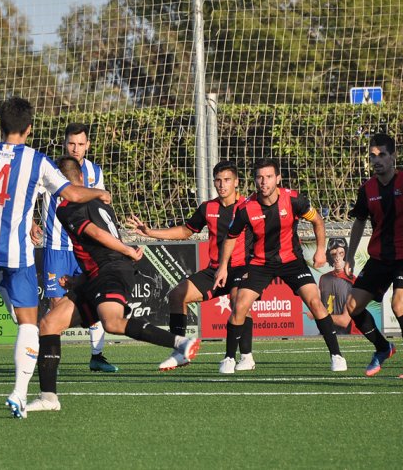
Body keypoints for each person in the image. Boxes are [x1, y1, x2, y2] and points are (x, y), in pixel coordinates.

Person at [0, 97, 111, 419]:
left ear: (0, 125)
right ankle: (19, 394)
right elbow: (72, 194)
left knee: (5, 284)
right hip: (17, 255)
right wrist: (100, 193)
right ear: (29, 129)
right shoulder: (38, 162)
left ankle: (6, 290)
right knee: (30, 325)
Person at [26, 157, 201, 412]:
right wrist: (78, 281)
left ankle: (181, 344)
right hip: (99, 274)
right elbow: (96, 246)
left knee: (112, 322)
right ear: (83, 179)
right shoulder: (99, 201)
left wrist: (128, 251)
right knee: (49, 324)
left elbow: (97, 235)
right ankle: (48, 397)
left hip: (110, 270)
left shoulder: (66, 207)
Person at [213, 158, 348, 372]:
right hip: (260, 263)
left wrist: (321, 250)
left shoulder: (294, 199)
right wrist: (222, 267)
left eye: (268, 177)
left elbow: (317, 221)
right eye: (259, 177)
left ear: (278, 178)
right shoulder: (246, 208)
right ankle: (230, 358)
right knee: (239, 305)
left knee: (315, 302)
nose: (263, 182)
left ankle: (337, 356)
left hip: (292, 261)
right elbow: (231, 237)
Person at [127, 161, 254, 373]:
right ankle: (180, 351)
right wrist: (150, 232)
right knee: (177, 295)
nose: (222, 185)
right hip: (214, 270)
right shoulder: (208, 208)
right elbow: (186, 231)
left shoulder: (249, 207)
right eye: (218, 181)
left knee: (238, 302)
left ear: (237, 182)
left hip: (242, 268)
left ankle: (247, 356)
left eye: (227, 180)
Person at [32, 123, 118, 373]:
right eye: (71, 143)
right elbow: (29, 198)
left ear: (88, 145)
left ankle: (97, 356)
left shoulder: (94, 171)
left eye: (81, 144)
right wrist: (31, 222)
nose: (76, 148)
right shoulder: (50, 169)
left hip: (87, 247)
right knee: (57, 305)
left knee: (96, 299)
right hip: (56, 247)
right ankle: (50, 359)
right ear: (64, 143)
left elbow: (101, 203)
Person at [343, 133, 403, 377]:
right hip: (380, 257)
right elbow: (359, 222)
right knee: (352, 306)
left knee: (399, 305)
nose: (376, 160)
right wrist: (349, 256)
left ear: (393, 157)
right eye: (372, 155)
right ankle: (383, 347)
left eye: (382, 155)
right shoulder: (366, 189)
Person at [317, 237, 355, 334]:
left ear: (346, 254)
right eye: (333, 254)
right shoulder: (323, 279)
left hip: (347, 334)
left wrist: (317, 315)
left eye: (341, 253)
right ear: (329, 257)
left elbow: (344, 321)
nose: (337, 257)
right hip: (327, 331)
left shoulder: (352, 281)